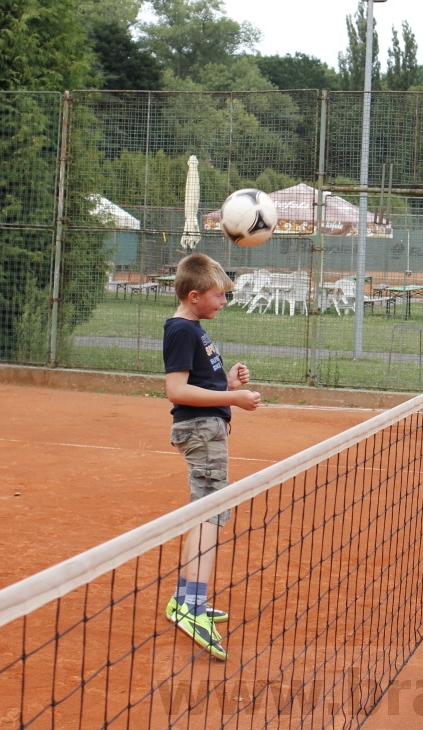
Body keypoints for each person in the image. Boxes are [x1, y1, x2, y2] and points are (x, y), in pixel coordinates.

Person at [161, 253, 260, 660]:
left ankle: (184, 600)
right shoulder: (182, 330)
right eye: (219, 296)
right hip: (201, 431)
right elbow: (177, 390)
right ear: (195, 295)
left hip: (207, 428)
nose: (223, 302)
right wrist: (234, 398)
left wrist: (227, 383)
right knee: (211, 513)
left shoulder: (193, 329)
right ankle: (193, 608)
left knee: (204, 511)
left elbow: (199, 384)